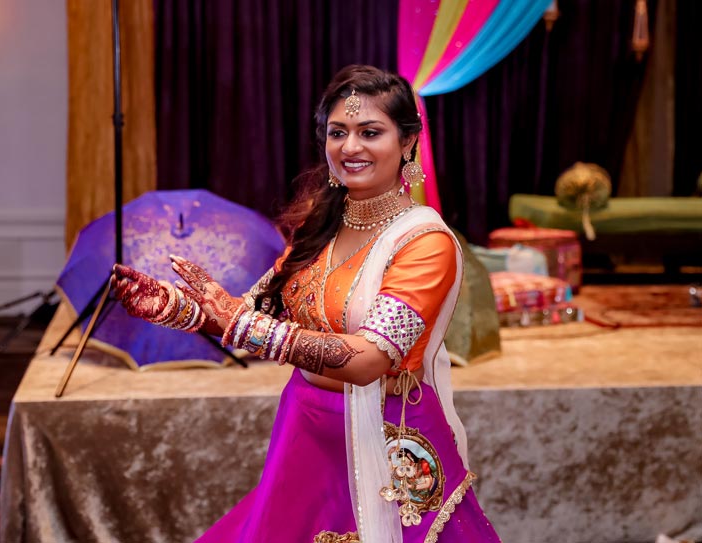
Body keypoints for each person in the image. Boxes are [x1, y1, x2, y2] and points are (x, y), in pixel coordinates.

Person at [112, 65, 501, 543]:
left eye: (370, 132)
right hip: (306, 428)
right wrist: (181, 309)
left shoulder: (423, 242)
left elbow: (369, 360)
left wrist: (240, 324)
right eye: (338, 132)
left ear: (408, 142)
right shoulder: (322, 226)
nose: (351, 147)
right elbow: (255, 315)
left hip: (388, 437)